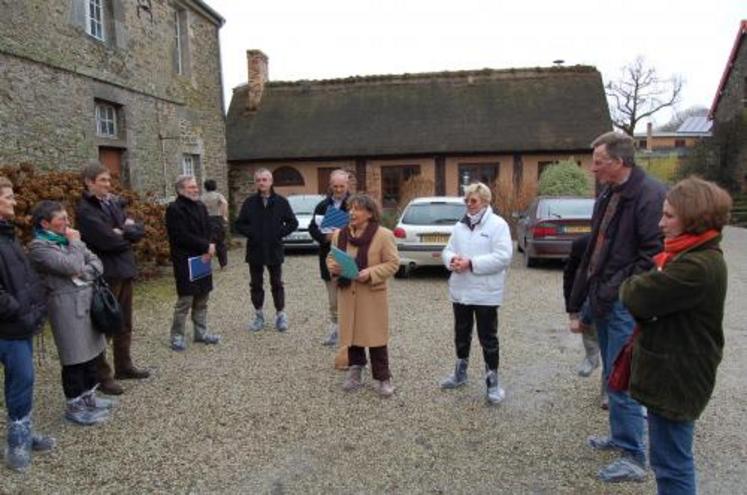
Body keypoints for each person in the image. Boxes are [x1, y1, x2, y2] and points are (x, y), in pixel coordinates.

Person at [620, 177, 731, 495]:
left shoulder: (696, 266)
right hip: (673, 372)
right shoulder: (687, 256)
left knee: (672, 465)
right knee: (669, 461)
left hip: (677, 376)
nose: (660, 223)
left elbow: (634, 295)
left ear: (693, 217)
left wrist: (640, 286)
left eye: (669, 216)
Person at [568, 131, 667, 483]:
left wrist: (616, 289)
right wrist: (579, 300)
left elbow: (652, 256)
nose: (593, 168)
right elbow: (593, 251)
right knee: (612, 374)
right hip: (604, 297)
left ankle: (634, 458)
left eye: (599, 162)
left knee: (622, 379)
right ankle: (621, 438)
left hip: (622, 301)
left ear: (619, 162)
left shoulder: (649, 195)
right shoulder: (609, 192)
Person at [28, 201, 112, 426]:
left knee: (93, 351)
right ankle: (75, 405)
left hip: (87, 300)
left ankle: (90, 397)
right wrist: (75, 245)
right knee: (74, 356)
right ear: (45, 223)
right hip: (64, 305)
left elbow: (96, 262)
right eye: (61, 219)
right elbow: (69, 265)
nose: (67, 223)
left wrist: (83, 272)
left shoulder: (68, 240)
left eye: (67, 218)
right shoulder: (39, 247)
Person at [77, 162, 149, 395]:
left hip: (125, 269)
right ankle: (102, 375)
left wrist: (123, 231)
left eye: (109, 180)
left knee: (125, 323)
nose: (108, 185)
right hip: (106, 273)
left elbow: (137, 230)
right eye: (103, 181)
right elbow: (107, 240)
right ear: (89, 182)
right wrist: (122, 232)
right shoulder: (86, 211)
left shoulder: (112, 204)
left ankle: (124, 366)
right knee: (105, 325)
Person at [439, 182, 513, 404]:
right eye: (467, 200)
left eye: (474, 201)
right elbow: (448, 249)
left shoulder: (498, 225)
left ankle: (493, 383)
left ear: (485, 202)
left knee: (488, 338)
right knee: (461, 334)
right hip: (461, 290)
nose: (469, 205)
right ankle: (460, 374)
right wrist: (451, 259)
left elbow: (503, 257)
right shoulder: (460, 226)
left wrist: (471, 263)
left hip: (486, 293)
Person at [0, 177, 55, 472]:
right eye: (8, 197)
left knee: (21, 380)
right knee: (20, 378)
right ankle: (17, 442)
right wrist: (19, 310)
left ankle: (21, 433)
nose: (14, 201)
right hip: (8, 326)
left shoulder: (8, 235)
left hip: (18, 325)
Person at [326, 194, 399, 397]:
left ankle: (383, 378)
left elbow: (393, 263)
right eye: (350, 208)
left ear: (369, 213)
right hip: (347, 293)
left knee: (376, 337)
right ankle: (355, 370)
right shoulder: (339, 234)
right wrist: (334, 267)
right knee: (352, 334)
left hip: (372, 294)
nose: (351, 212)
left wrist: (371, 273)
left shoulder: (383, 235)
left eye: (357, 209)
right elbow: (330, 258)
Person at [234, 168, 298, 332]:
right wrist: (253, 233)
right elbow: (239, 224)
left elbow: (293, 223)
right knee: (256, 284)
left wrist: (278, 234)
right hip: (255, 249)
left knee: (277, 283)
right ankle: (258, 315)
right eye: (258, 180)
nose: (261, 183)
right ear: (256, 183)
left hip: (274, 249)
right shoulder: (249, 203)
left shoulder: (281, 202)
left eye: (265, 180)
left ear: (271, 182)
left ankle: (280, 314)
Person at [165, 175, 220, 351]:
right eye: (191, 187)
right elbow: (180, 235)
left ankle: (201, 332)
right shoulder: (175, 209)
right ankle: (177, 336)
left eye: (196, 187)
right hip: (185, 260)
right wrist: (205, 245)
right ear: (181, 189)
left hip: (203, 258)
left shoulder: (200, 205)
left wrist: (211, 243)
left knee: (202, 298)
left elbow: (210, 227)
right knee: (185, 301)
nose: (195, 190)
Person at [308, 169, 351, 349]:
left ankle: (349, 332)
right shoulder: (322, 206)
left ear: (347, 185)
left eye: (342, 186)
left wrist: (342, 234)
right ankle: (335, 328)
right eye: (335, 186)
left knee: (349, 296)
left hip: (350, 256)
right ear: (330, 186)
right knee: (333, 299)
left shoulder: (354, 204)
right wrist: (324, 237)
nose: (339, 189)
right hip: (328, 256)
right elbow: (312, 227)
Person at [563, 234, 607, 409]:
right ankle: (591, 357)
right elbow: (570, 276)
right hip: (588, 303)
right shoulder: (582, 244)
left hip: (616, 303)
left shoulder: (627, 243)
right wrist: (572, 311)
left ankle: (608, 393)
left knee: (613, 353)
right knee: (589, 332)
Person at [201, 179, 229, 269]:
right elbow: (224, 203)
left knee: (207, 242)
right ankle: (223, 264)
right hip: (217, 218)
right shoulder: (218, 195)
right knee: (220, 242)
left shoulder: (202, 197)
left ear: (205, 187)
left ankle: (205, 264)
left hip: (206, 220)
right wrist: (224, 215)